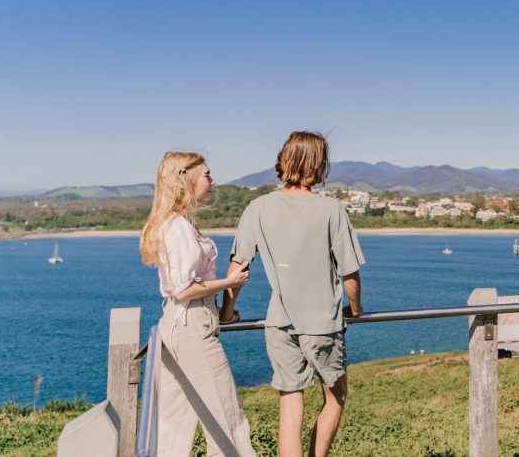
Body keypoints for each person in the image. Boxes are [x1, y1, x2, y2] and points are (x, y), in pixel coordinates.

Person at [220, 131, 365, 457]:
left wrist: (226, 314)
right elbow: (350, 274)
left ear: (284, 161)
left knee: (289, 408)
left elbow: (237, 270)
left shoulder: (257, 208)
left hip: (279, 324)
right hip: (322, 325)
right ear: (319, 164)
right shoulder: (331, 210)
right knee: (336, 396)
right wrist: (356, 309)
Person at [139, 151, 256, 457]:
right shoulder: (177, 227)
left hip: (182, 325)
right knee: (227, 421)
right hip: (191, 328)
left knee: (174, 428)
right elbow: (182, 290)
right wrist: (229, 283)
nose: (212, 181)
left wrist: (216, 309)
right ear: (186, 180)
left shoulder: (178, 223)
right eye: (206, 175)